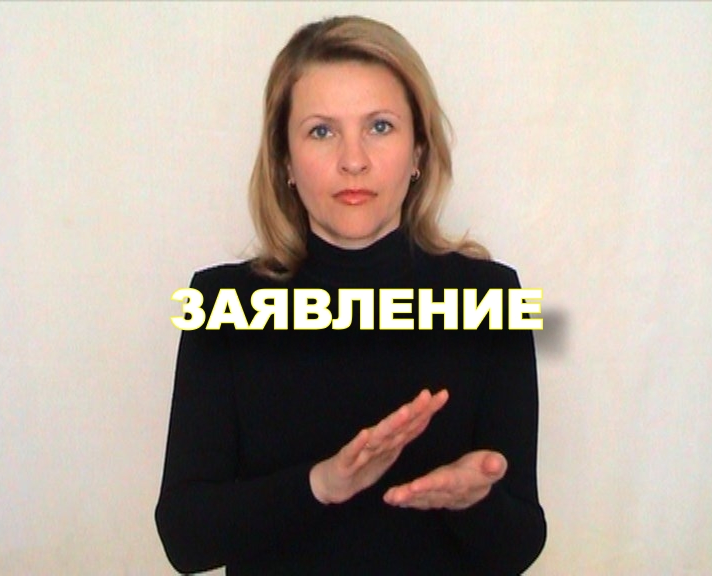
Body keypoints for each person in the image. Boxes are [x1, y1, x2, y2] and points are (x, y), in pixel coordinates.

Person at [156, 15, 546, 575]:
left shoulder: (491, 298)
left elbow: (521, 542)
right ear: (285, 160)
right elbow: (184, 538)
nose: (353, 160)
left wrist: (471, 500)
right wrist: (321, 485)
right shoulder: (223, 304)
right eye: (322, 131)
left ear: (419, 151)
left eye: (380, 126)